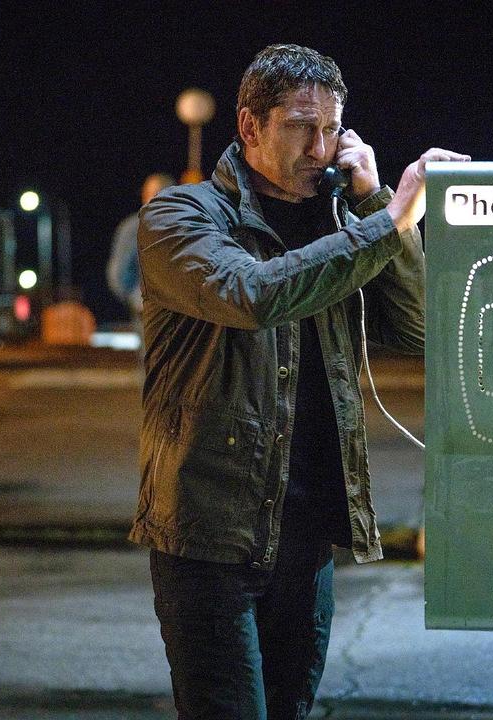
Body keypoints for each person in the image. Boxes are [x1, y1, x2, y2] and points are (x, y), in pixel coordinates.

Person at [129, 44, 469, 719]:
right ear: (250, 126)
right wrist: (391, 222)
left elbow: (420, 329)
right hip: (209, 539)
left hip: (307, 539)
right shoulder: (180, 217)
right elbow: (252, 293)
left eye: (332, 129)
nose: (319, 148)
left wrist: (375, 202)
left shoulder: (343, 222)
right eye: (300, 126)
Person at [107, 173, 175, 333]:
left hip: (174, 314)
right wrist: (139, 300)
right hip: (154, 314)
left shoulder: (180, 226)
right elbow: (118, 275)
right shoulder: (135, 228)